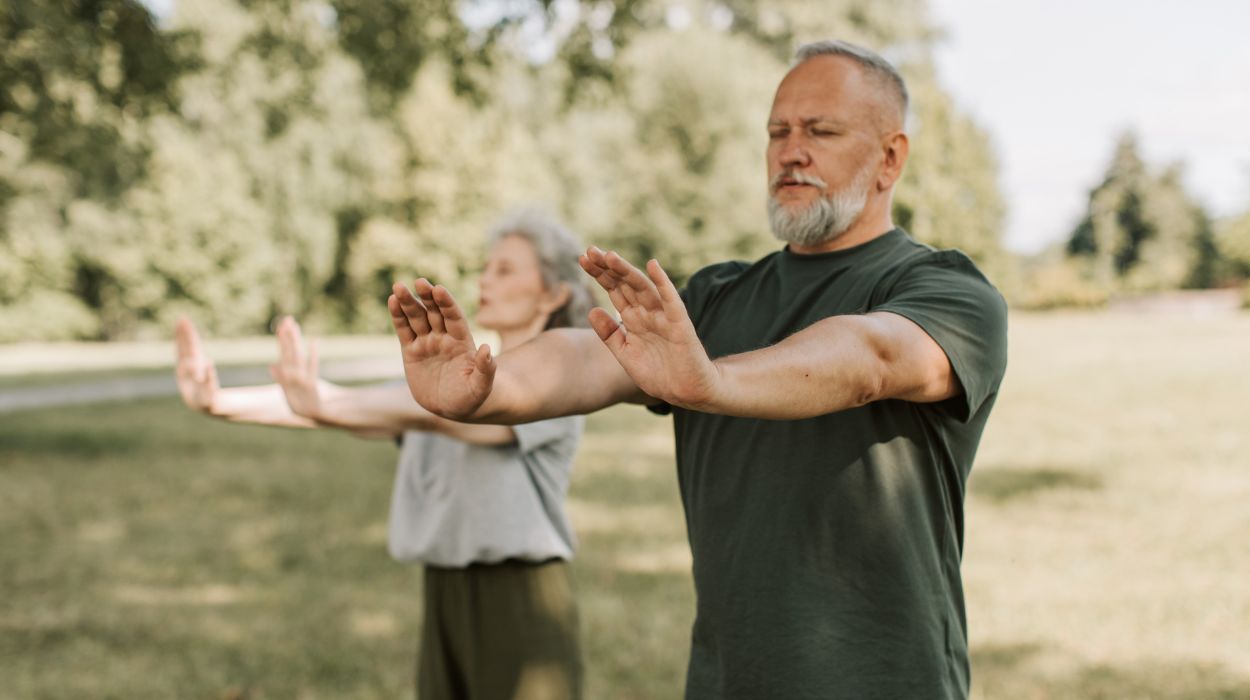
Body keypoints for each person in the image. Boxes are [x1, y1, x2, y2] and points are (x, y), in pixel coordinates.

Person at [386, 40, 1009, 699]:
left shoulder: (948, 291)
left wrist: (714, 384)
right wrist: (488, 389)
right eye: (778, 132)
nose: (791, 150)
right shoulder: (716, 297)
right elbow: (589, 354)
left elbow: (872, 359)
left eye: (821, 131)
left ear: (891, 158)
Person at [175, 209, 595, 700]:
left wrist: (324, 400)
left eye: (505, 270)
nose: (485, 280)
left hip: (520, 597)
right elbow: (358, 407)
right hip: (443, 588)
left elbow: (434, 414)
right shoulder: (440, 383)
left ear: (554, 293)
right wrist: (218, 401)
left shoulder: (560, 382)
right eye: (485, 268)